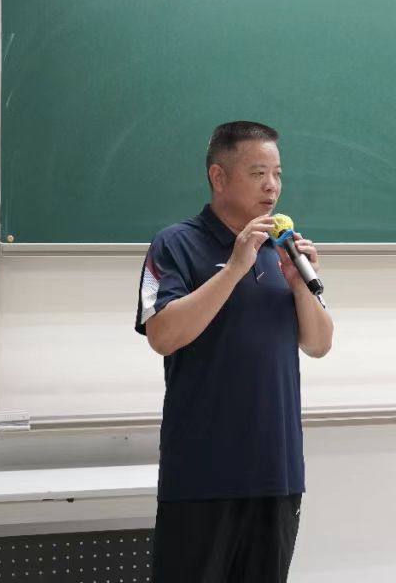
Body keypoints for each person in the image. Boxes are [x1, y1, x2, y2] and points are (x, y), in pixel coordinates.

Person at [135, 120, 334, 582]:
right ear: (218, 177)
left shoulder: (283, 251)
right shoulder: (174, 244)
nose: (272, 186)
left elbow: (319, 344)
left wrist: (298, 284)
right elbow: (163, 335)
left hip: (276, 473)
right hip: (202, 477)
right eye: (258, 173)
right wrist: (234, 268)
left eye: (278, 174)